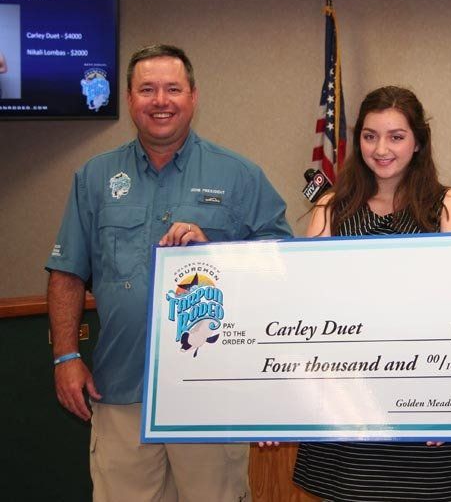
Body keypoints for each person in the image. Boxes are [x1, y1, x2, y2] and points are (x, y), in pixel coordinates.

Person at [46, 43, 292, 502]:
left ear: (194, 97)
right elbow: (66, 272)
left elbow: (281, 264)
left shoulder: (239, 175)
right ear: (129, 98)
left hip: (210, 395)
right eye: (147, 89)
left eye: (173, 89)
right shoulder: (94, 177)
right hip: (121, 390)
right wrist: (65, 357)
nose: (161, 101)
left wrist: (215, 253)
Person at [291, 85, 451, 501]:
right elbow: (307, 313)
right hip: (348, 405)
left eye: (396, 136)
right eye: (370, 135)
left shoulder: (448, 206)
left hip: (427, 404)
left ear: (418, 143)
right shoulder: (330, 208)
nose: (381, 148)